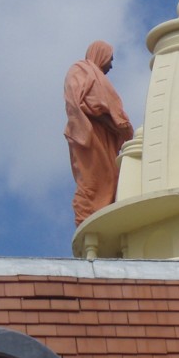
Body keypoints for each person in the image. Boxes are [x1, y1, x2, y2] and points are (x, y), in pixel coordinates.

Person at [64, 41, 134, 226]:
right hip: (87, 136)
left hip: (106, 140)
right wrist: (113, 122)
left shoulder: (95, 75)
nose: (111, 65)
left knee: (111, 177)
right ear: (101, 54)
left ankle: (105, 219)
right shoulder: (80, 70)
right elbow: (85, 102)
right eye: (110, 59)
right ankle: (86, 222)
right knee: (90, 180)